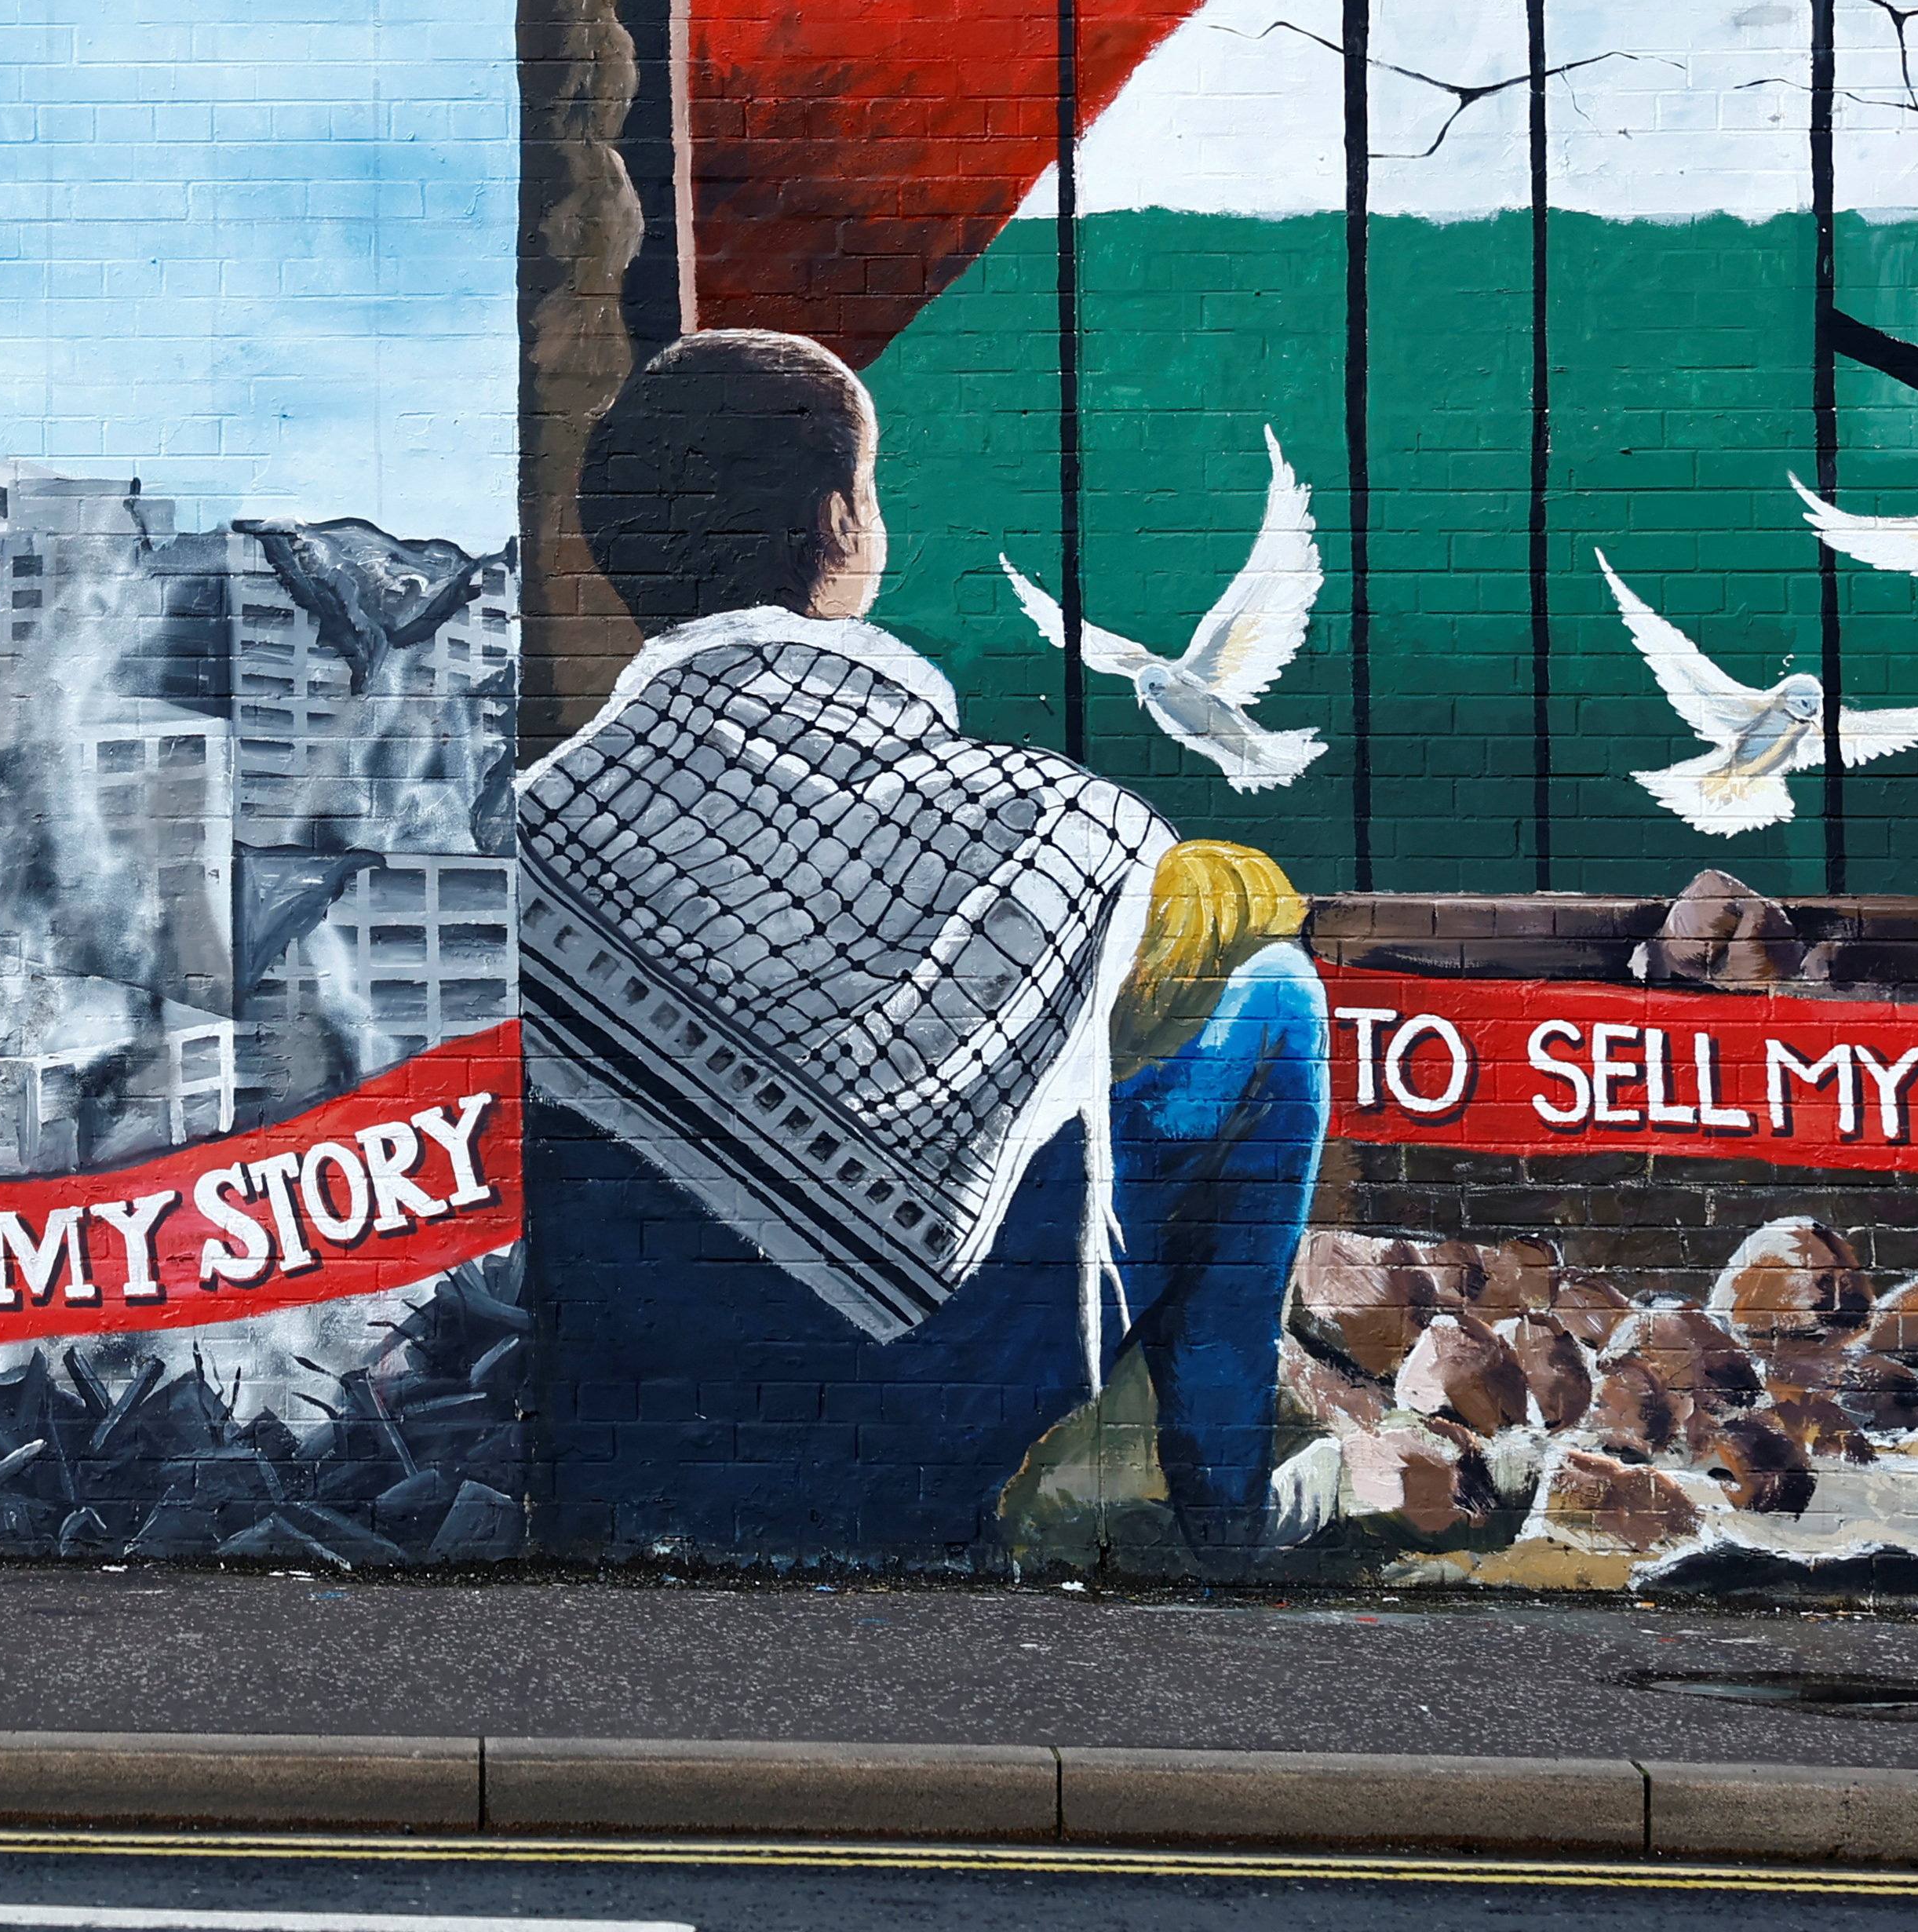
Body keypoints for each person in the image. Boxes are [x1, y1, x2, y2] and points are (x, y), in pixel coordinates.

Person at [517, 326, 1330, 1569]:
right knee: (1273, 999)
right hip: (934, 1408)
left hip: (632, 1419)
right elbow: (1229, 921)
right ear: (844, 524)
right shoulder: (1049, 825)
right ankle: (1225, 1503)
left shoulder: (526, 835)